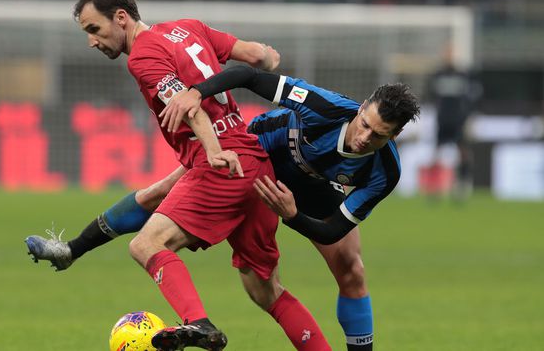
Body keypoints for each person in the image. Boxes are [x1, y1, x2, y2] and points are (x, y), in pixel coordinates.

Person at [26, 0, 332, 351]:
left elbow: (190, 107)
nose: (92, 40)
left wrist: (213, 150)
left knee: (146, 245)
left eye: (94, 29)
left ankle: (198, 323)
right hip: (254, 163)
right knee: (265, 291)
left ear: (120, 17)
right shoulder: (189, 27)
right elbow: (253, 55)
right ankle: (72, 249)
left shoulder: (142, 57)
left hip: (221, 160)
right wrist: (267, 57)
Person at [28, 65, 420, 350]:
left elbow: (333, 229)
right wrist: (197, 92)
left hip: (313, 191)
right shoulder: (325, 107)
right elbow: (250, 76)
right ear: (362, 106)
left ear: (396, 136)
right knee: (160, 190)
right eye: (364, 123)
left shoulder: (385, 171)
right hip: (258, 152)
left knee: (351, 269)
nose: (362, 137)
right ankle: (71, 250)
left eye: (377, 135)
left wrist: (292, 216)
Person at [424, 44, 482, 200]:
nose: (448, 56)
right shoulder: (437, 75)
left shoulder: (462, 74)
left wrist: (469, 117)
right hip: (442, 120)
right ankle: (434, 187)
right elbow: (430, 96)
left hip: (458, 120)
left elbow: (471, 98)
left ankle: (462, 185)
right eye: (446, 53)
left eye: (451, 53)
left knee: (463, 152)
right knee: (436, 154)